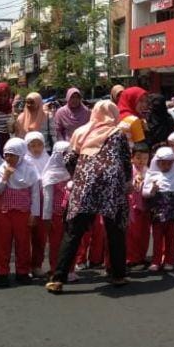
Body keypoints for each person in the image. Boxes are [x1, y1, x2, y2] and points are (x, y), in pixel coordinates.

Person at [45, 100, 131, 294]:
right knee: (115, 229)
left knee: (74, 231)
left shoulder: (82, 132)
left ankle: (57, 279)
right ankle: (118, 275)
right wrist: (127, 184)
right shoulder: (118, 133)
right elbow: (126, 162)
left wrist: (81, 175)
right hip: (111, 186)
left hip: (85, 184)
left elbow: (68, 159)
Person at [0, 137, 40, 287]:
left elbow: (35, 193)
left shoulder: (30, 169)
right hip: (4, 212)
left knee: (23, 243)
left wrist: (34, 213)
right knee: (2, 243)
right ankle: (1, 272)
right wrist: (6, 176)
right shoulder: (2, 169)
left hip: (22, 212)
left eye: (12, 155)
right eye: (6, 154)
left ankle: (22, 272)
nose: (8, 158)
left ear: (20, 155)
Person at [142, 146, 174, 272]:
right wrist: (152, 190)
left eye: (169, 163)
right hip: (157, 214)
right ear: (157, 162)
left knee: (170, 238)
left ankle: (169, 261)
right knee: (157, 238)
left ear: (173, 162)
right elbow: (144, 192)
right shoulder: (151, 174)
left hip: (172, 213)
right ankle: (156, 261)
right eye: (162, 163)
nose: (166, 165)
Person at [41, 141, 71, 276]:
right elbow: (47, 198)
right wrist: (47, 218)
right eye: (63, 154)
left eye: (68, 154)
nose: (66, 158)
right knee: (55, 243)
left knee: (71, 241)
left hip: (71, 213)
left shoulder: (72, 171)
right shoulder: (50, 174)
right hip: (56, 215)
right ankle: (55, 269)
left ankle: (70, 270)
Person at [24, 131, 51, 277]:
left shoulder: (47, 160)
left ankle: (36, 265)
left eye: (39, 145)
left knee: (40, 236)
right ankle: (24, 266)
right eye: (32, 145)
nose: (36, 148)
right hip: (27, 201)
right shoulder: (24, 161)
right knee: (25, 236)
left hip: (43, 201)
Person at [125, 142, 152, 271]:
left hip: (145, 207)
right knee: (132, 233)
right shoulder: (130, 171)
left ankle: (141, 255)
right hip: (133, 206)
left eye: (145, 158)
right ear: (132, 157)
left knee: (144, 233)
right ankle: (131, 257)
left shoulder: (149, 171)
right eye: (139, 158)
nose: (142, 161)